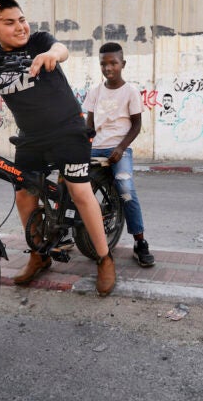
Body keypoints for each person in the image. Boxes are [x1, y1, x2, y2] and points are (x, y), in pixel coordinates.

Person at [0, 0, 116, 296]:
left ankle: (105, 258)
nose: (20, 27)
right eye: (9, 22)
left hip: (68, 130)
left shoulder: (39, 42)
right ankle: (39, 254)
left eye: (22, 19)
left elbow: (61, 48)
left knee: (80, 192)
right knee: (24, 196)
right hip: (31, 136)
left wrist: (52, 56)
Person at [83, 42, 156, 267]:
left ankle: (140, 242)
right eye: (103, 64)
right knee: (75, 187)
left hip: (119, 149)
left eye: (113, 63)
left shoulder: (130, 92)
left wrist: (121, 148)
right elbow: (90, 124)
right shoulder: (95, 92)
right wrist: (84, 145)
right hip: (96, 148)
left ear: (122, 64)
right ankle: (71, 234)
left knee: (126, 190)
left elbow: (136, 125)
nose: (108, 68)